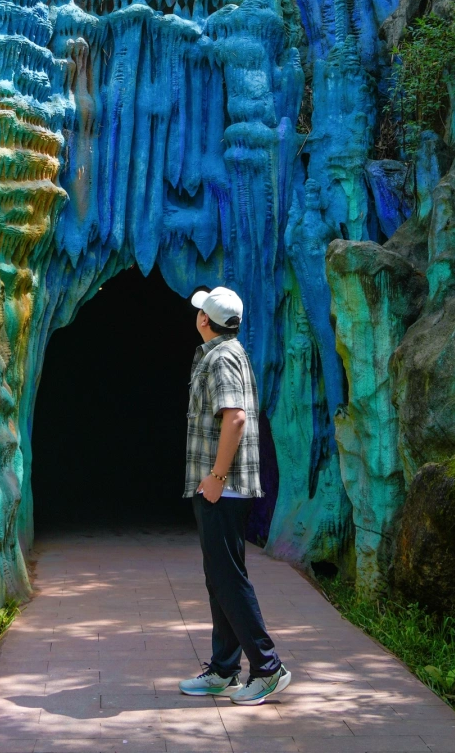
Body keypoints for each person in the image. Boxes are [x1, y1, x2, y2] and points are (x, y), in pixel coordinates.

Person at [178, 285, 291, 706]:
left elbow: (236, 418)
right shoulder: (229, 351)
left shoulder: (222, 357)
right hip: (222, 488)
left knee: (228, 578)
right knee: (221, 577)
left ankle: (268, 667)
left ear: (205, 319)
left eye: (200, 311)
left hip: (222, 489)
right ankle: (224, 669)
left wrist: (216, 477)